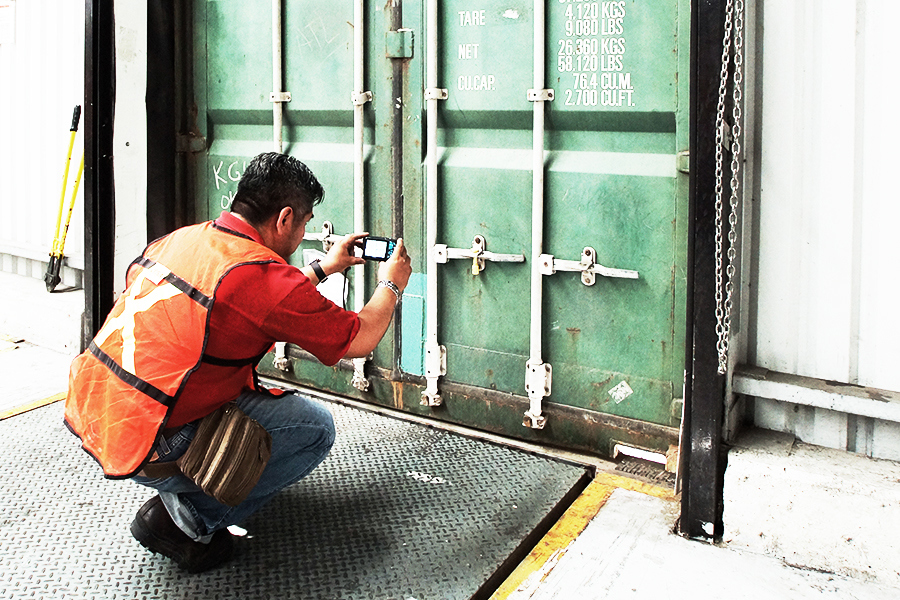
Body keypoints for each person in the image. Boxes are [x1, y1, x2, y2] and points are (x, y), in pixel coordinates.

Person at [64, 152, 411, 572]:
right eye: (304, 223)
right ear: (284, 218)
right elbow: (360, 337)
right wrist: (392, 283)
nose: (303, 234)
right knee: (313, 429)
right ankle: (186, 522)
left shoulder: (182, 240)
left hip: (100, 416)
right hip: (154, 441)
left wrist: (323, 267)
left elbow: (247, 296)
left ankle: (179, 491)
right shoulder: (261, 279)